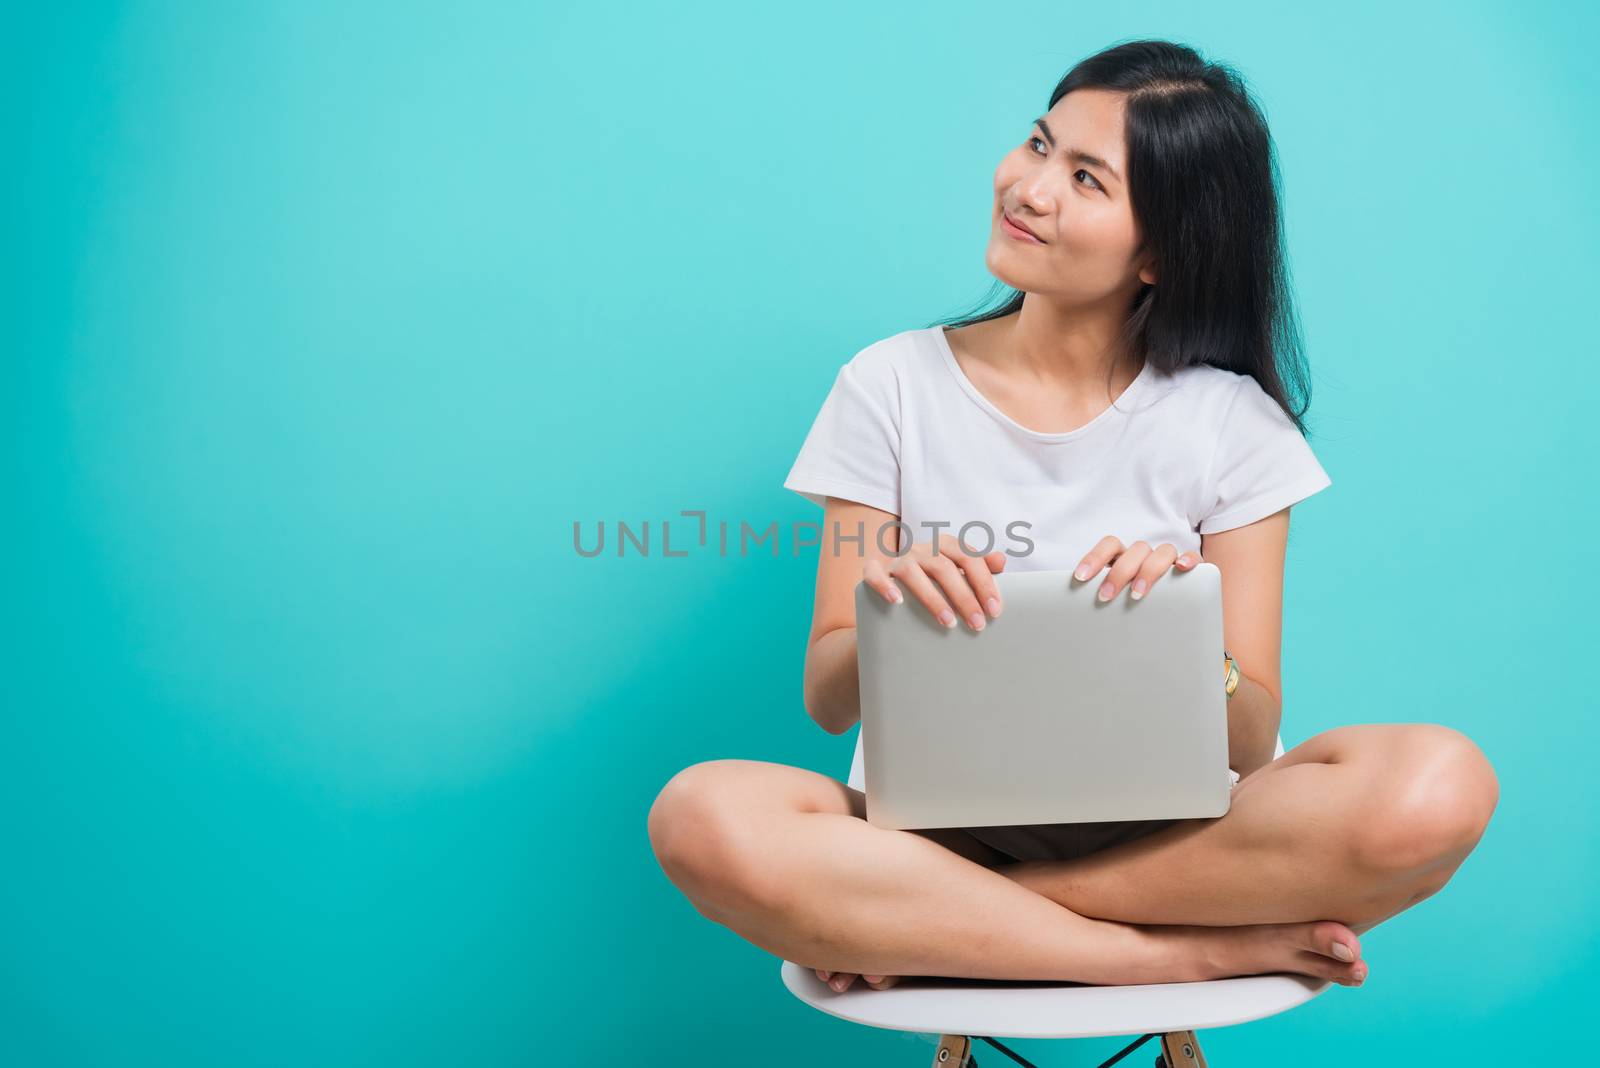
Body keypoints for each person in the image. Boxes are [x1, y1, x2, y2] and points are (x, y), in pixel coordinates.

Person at [646, 39, 1498, 993]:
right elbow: (827, 696)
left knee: (1439, 783)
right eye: (1040, 144)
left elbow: (1250, 738)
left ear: (1162, 255)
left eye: (1086, 178)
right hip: (930, 832)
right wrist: (891, 608)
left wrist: (1187, 643)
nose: (1030, 187)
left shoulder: (1231, 424)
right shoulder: (887, 384)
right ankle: (1174, 954)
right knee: (699, 813)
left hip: (1167, 838)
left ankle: (957, 924)